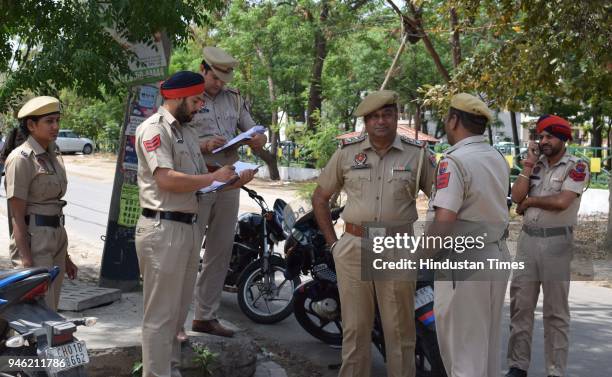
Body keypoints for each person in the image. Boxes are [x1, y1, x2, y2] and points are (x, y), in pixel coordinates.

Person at [134, 70, 254, 377]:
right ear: (176, 97)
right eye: (196, 99)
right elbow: (166, 179)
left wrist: (231, 182)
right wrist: (213, 176)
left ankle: (170, 371)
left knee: (176, 318)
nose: (201, 105)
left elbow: (200, 185)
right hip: (163, 229)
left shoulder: (186, 132)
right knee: (160, 318)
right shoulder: (154, 130)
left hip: (187, 227)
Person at [312, 90, 436, 377]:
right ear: (366, 122)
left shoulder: (417, 156)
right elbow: (320, 198)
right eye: (374, 116)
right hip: (354, 247)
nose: (381, 121)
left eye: (387, 114)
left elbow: (440, 202)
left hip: (397, 246)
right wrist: (334, 246)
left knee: (400, 332)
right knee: (355, 331)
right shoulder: (346, 154)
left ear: (396, 116)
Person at [425, 93, 510, 377]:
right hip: (496, 255)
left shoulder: (454, 161)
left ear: (454, 120)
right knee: (486, 351)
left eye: (447, 118)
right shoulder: (496, 157)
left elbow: (445, 221)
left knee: (463, 355)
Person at [189, 46, 267, 337]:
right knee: (187, 248)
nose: (219, 85)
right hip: (196, 178)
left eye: (224, 80)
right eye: (215, 79)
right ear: (203, 69)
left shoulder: (234, 99)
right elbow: (172, 139)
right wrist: (204, 145)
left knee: (219, 250)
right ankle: (175, 319)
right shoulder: (187, 95)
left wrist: (257, 138)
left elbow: (253, 129)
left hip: (229, 180)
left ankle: (205, 316)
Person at [505, 115, 588, 377]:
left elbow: (563, 201)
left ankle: (555, 371)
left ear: (564, 139)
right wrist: (528, 164)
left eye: (550, 137)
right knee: (520, 307)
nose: (544, 141)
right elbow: (516, 196)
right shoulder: (535, 164)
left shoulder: (576, 166)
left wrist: (530, 203)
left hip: (556, 243)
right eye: (541, 137)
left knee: (555, 313)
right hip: (528, 241)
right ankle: (518, 366)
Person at [4, 96, 78, 310]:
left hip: (56, 236)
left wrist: (66, 257)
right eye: (49, 121)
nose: (55, 126)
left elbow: (54, 204)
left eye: (57, 120)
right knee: (37, 309)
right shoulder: (21, 159)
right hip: (34, 240)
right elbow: (17, 217)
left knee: (51, 307)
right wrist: (27, 263)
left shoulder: (53, 155)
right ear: (31, 125)